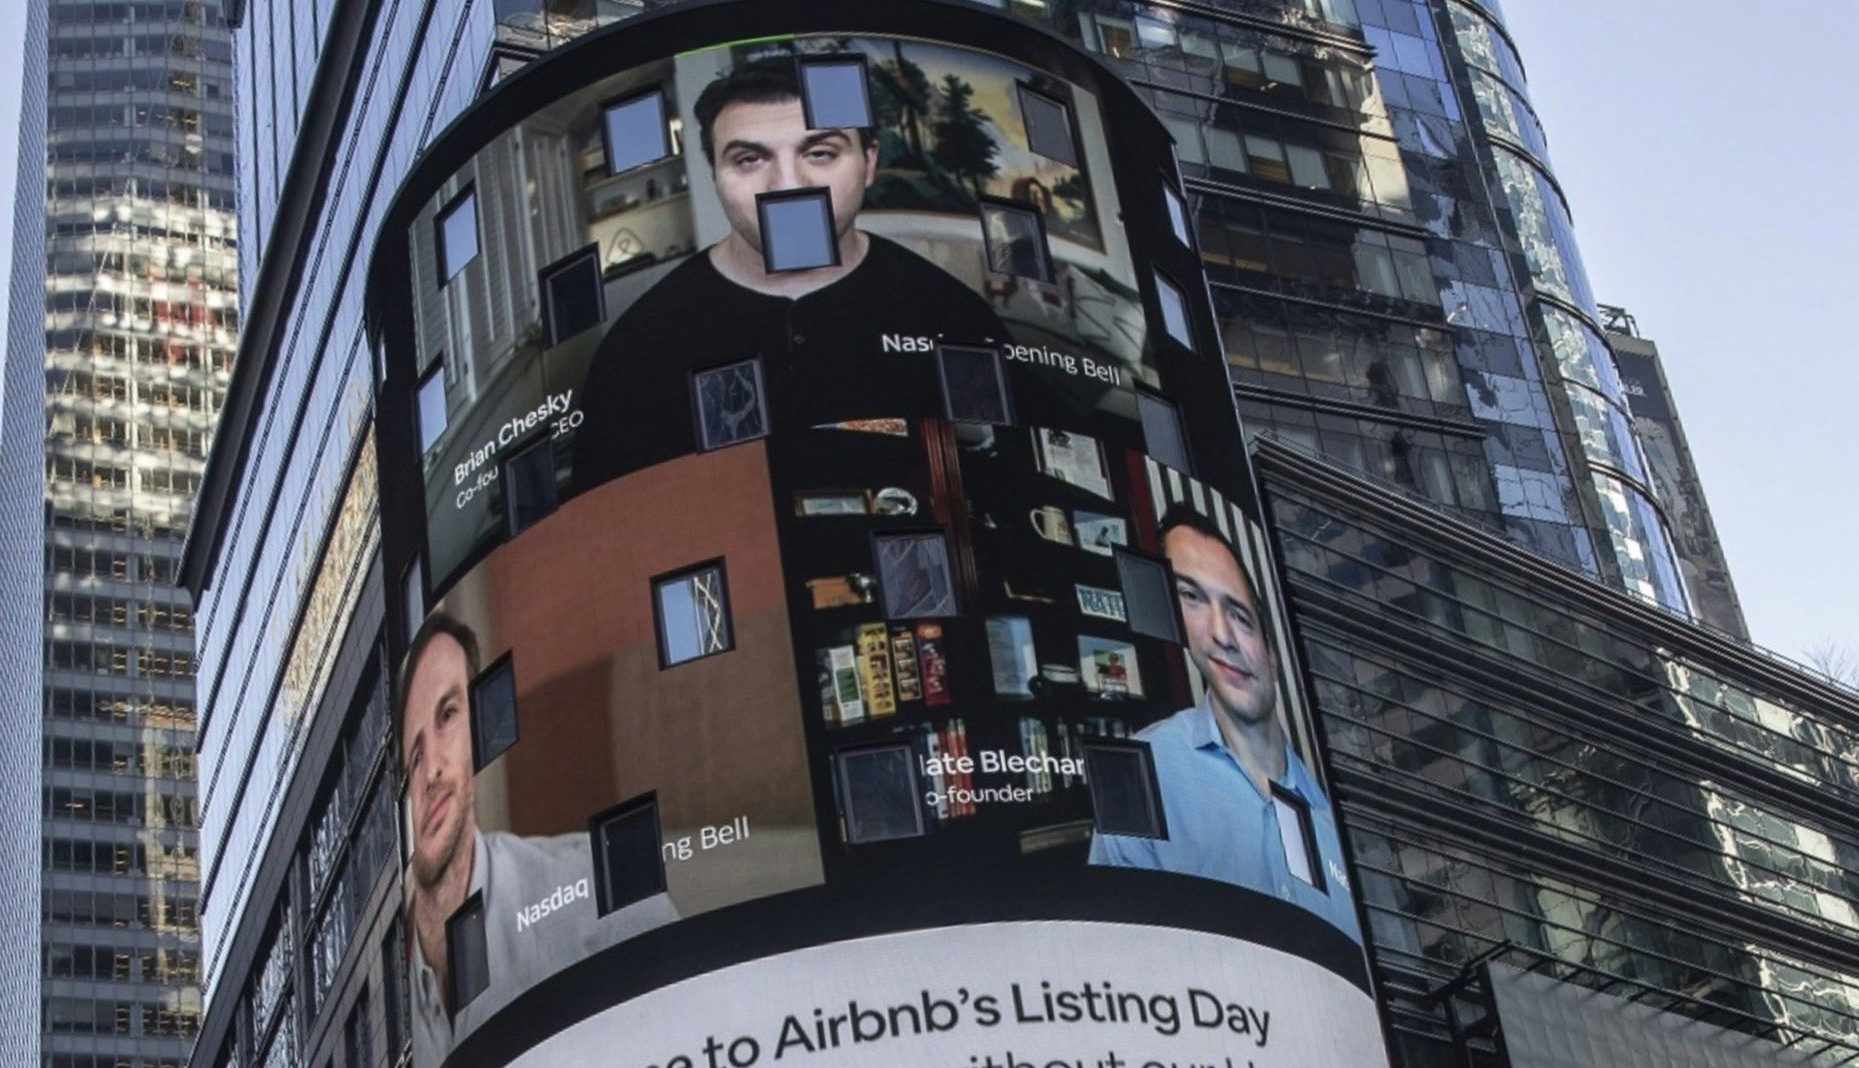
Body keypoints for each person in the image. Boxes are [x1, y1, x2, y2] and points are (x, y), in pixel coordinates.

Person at [572, 56, 1016, 490]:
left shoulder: (953, 317)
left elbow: (1011, 475)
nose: (788, 185)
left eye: (820, 153)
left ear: (870, 164)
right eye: (749, 159)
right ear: (714, 175)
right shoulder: (639, 347)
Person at [398, 613, 678, 1068]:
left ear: (480, 735)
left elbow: (699, 1031)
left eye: (448, 716)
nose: (431, 772)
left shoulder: (597, 886)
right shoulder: (386, 1011)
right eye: (413, 755)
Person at [1090, 508, 1360, 937]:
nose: (1222, 636)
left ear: (1272, 655)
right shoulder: (1138, 773)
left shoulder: (1336, 828)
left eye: (1239, 614)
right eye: (1193, 598)